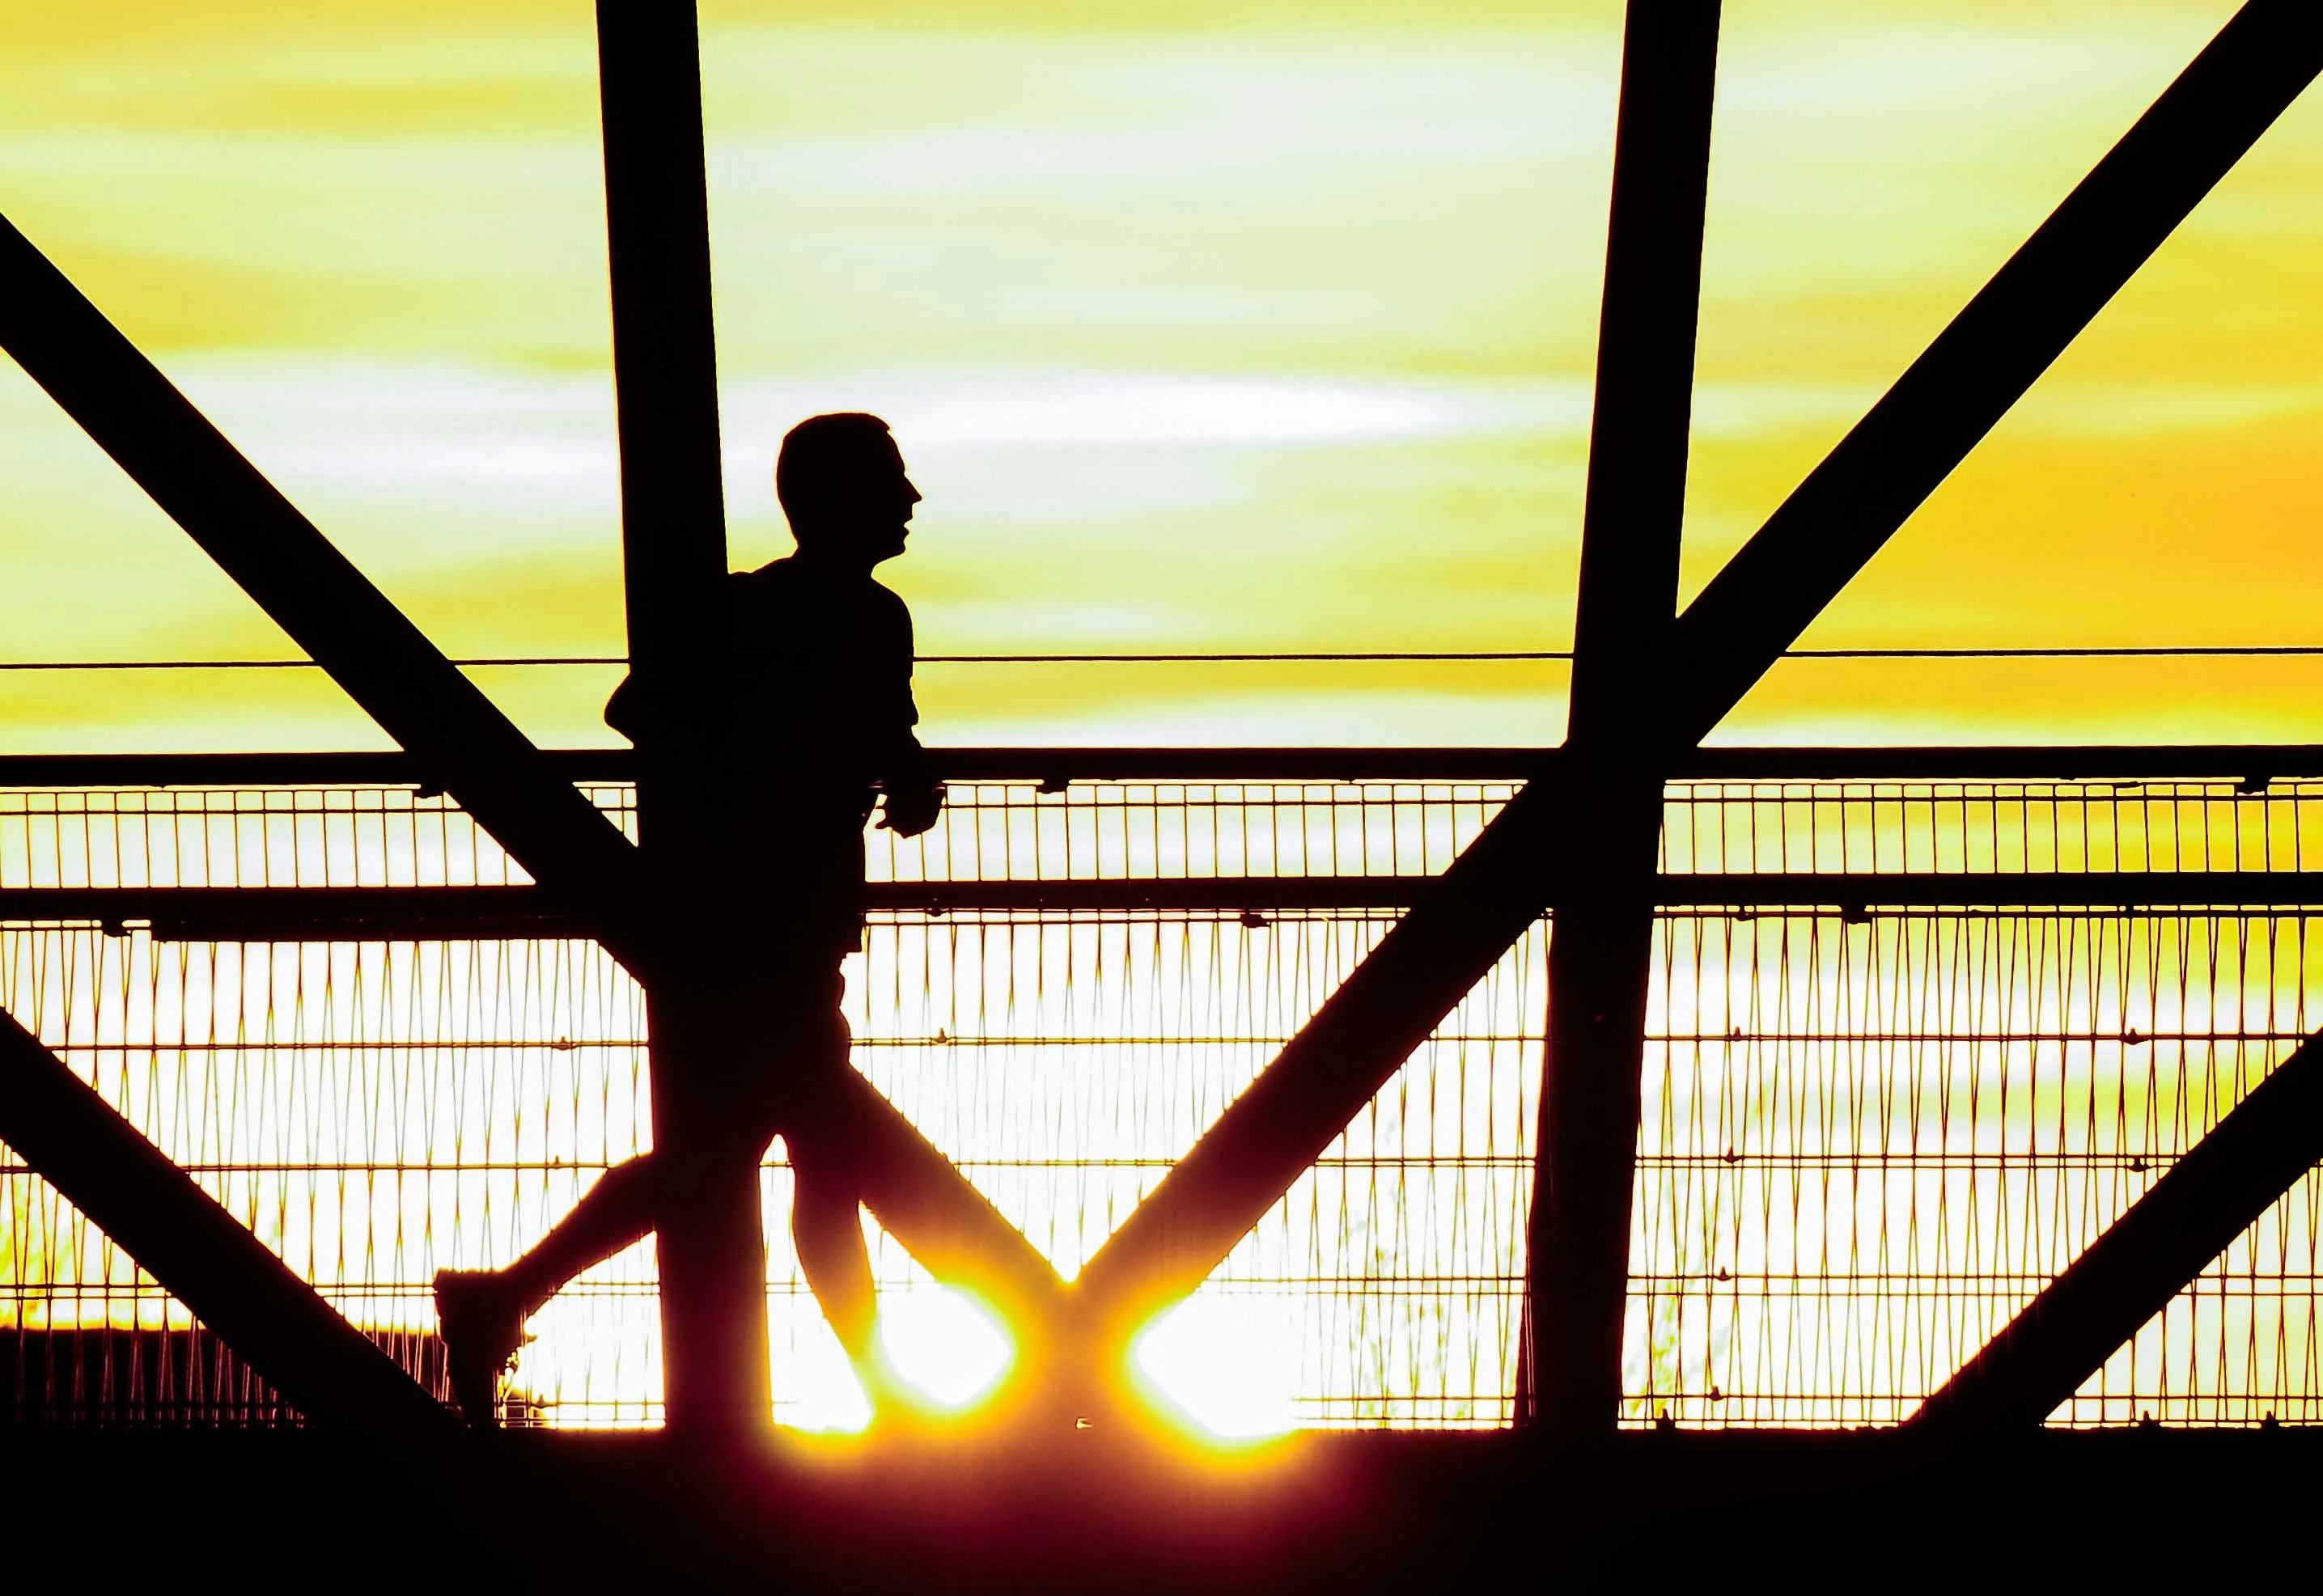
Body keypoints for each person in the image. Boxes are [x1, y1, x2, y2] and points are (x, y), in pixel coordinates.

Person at [434, 413, 944, 1427]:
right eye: (890, 479)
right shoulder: (780, 614)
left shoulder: (856, 618)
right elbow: (647, 710)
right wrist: (784, 771)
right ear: (836, 498)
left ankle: (502, 1296)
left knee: (731, 1163)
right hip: (759, 927)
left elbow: (883, 735)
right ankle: (887, 1397)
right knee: (802, 1164)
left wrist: (898, 772)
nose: (910, 497)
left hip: (786, 926)